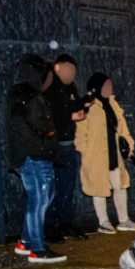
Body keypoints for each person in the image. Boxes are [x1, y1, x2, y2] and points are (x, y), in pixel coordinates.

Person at [5, 54, 67, 263]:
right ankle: (38, 249)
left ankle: (26, 241)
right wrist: (41, 142)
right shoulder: (24, 94)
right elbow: (21, 125)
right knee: (39, 199)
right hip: (34, 156)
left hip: (38, 155)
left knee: (43, 197)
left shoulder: (29, 94)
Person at [76, 73, 135, 233]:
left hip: (114, 153)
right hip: (96, 154)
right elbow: (80, 132)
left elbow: (122, 128)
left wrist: (129, 145)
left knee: (120, 185)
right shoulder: (89, 106)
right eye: (106, 85)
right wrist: (85, 150)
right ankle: (104, 222)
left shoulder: (113, 104)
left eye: (110, 85)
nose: (109, 88)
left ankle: (124, 220)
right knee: (98, 188)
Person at [43, 54, 90, 241]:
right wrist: (70, 117)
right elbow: (50, 116)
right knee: (52, 188)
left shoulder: (70, 87)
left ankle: (65, 224)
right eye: (68, 70)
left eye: (74, 72)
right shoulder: (49, 87)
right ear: (57, 68)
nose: (71, 74)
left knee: (67, 187)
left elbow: (74, 106)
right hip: (54, 147)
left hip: (69, 144)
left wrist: (82, 107)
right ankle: (49, 226)